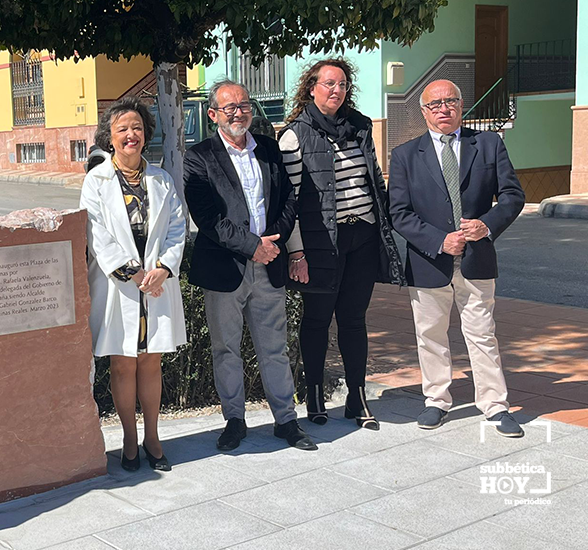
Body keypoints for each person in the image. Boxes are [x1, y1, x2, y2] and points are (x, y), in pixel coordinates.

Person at [388, 79, 526, 436]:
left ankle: (495, 406)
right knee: (430, 334)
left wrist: (486, 225)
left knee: (482, 334)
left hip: (477, 258)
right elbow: (399, 213)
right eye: (435, 104)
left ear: (461, 105)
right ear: (424, 112)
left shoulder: (488, 144)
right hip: (428, 260)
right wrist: (439, 240)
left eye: (450, 101)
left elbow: (512, 195)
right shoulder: (404, 155)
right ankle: (436, 400)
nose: (443, 109)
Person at [184, 80, 316, 452]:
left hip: (269, 264)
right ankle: (234, 420)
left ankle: (286, 421)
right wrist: (252, 246)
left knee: (274, 347)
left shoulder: (270, 151)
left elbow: (289, 200)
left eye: (244, 105)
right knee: (226, 348)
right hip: (226, 268)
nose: (239, 112)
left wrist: (272, 242)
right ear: (213, 115)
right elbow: (207, 217)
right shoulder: (199, 157)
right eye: (229, 107)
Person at [278, 59, 404, 430]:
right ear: (311, 87)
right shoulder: (294, 134)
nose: (337, 90)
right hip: (319, 245)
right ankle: (314, 396)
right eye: (329, 83)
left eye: (343, 84)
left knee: (353, 319)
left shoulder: (361, 126)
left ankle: (357, 396)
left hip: (361, 236)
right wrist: (296, 251)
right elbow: (290, 200)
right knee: (316, 320)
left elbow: (374, 180)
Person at [80, 96, 187, 472]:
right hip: (119, 286)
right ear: (109, 137)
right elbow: (96, 234)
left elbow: (177, 229)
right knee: (123, 364)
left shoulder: (161, 179)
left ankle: (153, 437)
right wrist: (134, 273)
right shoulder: (96, 181)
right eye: (122, 129)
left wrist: (163, 268)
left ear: (146, 134)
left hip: (157, 285)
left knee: (152, 361)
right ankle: (128, 437)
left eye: (137, 128)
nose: (131, 135)